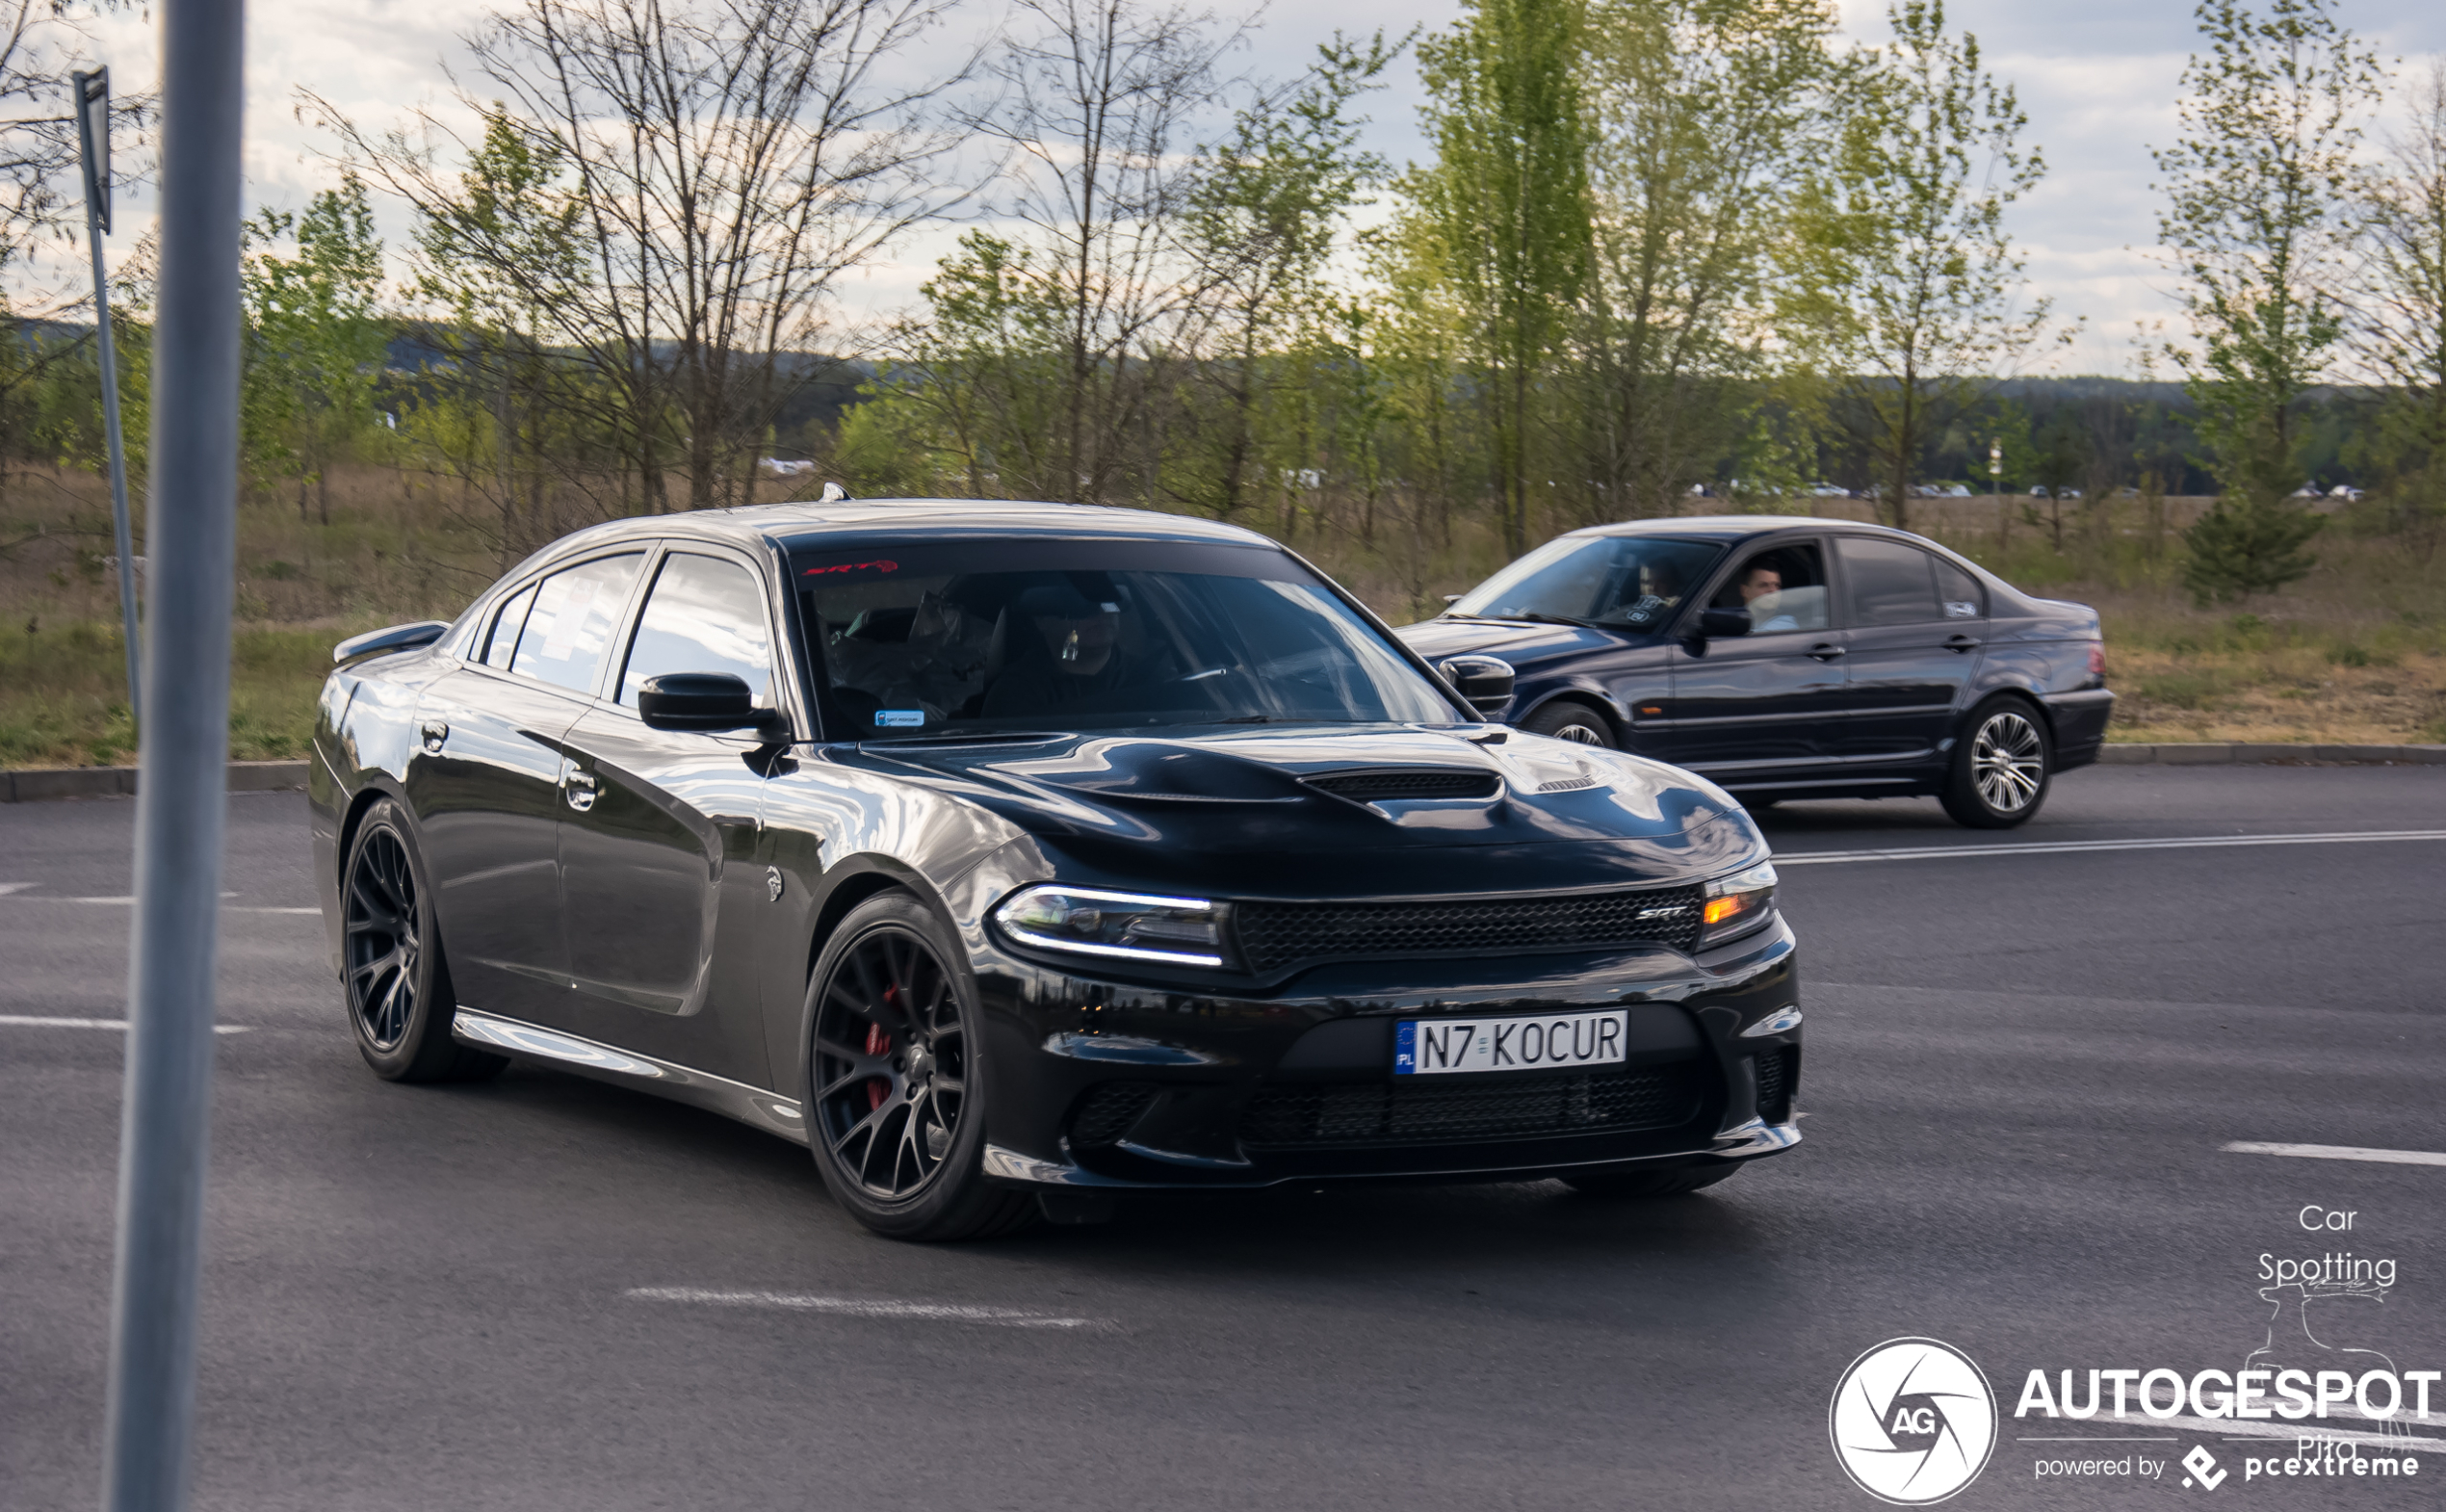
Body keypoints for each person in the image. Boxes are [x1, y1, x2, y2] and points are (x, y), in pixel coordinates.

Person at [979, 580, 1137, 717]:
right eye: (1080, 606)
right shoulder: (1014, 693)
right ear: (1042, 621)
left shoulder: (1148, 677)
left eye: (1110, 602)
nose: (1101, 612)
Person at [1739, 560, 1799, 633]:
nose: (1773, 591)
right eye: (1764, 585)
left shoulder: (1785, 625)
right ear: (1745, 591)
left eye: (1777, 585)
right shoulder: (1736, 620)